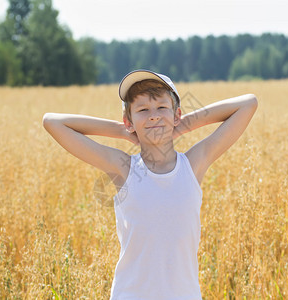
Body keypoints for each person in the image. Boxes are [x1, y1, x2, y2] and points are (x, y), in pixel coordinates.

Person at [42, 69, 258, 299]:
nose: (153, 116)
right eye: (143, 110)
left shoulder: (193, 164)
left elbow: (248, 104)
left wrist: (181, 125)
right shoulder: (123, 168)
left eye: (162, 108)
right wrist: (123, 131)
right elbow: (53, 122)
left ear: (177, 114)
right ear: (129, 120)